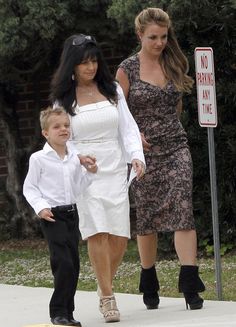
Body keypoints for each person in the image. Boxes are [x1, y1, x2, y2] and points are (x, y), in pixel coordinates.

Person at [49, 34, 145, 323]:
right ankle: (107, 295)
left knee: (119, 236)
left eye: (93, 61)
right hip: (86, 173)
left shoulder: (112, 89)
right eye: (83, 63)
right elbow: (63, 136)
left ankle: (105, 281)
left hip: (116, 168)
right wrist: (78, 157)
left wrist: (136, 155)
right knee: (97, 231)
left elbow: (128, 128)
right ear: (72, 66)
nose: (90, 67)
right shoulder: (62, 99)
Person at [116, 7, 205, 311]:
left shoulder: (174, 62)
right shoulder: (126, 70)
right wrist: (133, 138)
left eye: (164, 37)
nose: (159, 42)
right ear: (139, 34)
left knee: (183, 208)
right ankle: (149, 278)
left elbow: (177, 105)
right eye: (153, 37)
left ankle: (190, 283)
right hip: (142, 153)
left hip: (175, 146)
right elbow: (118, 113)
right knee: (147, 216)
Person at [23, 106, 97, 326]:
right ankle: (57, 312)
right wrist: (41, 207)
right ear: (46, 133)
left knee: (73, 264)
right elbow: (30, 188)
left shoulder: (74, 157)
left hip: (71, 214)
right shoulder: (38, 159)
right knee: (62, 263)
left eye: (66, 125)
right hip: (52, 216)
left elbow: (78, 188)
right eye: (57, 127)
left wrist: (90, 173)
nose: (63, 129)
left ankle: (68, 312)